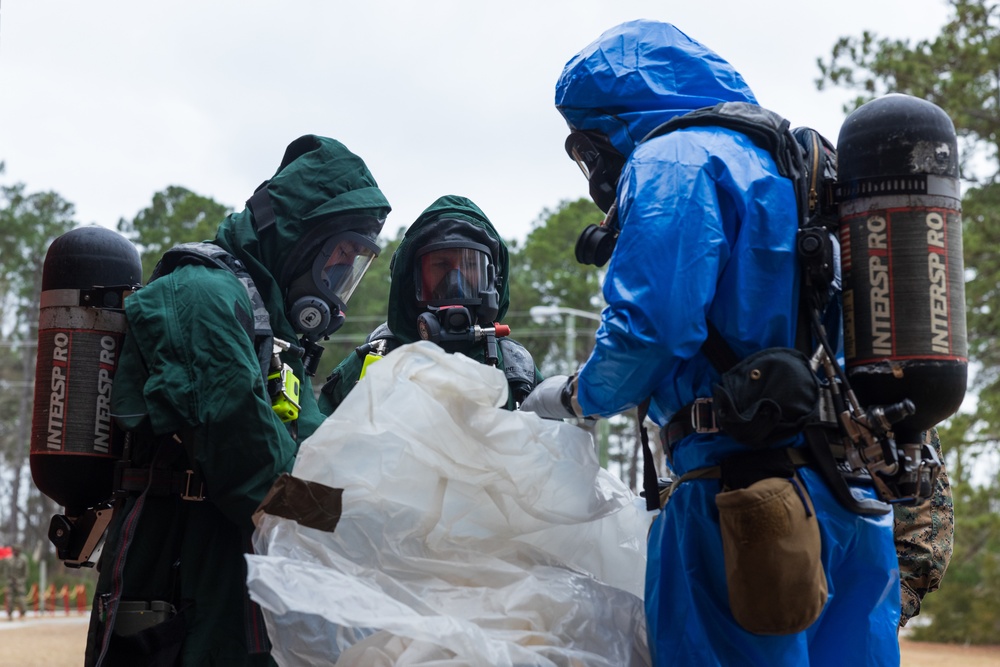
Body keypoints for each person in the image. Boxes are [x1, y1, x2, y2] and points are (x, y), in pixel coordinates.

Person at [521, 20, 902, 666]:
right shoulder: (798, 159)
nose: (593, 174)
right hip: (852, 502)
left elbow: (653, 330)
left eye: (589, 150)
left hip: (739, 502)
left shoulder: (672, 159)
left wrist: (573, 395)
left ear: (620, 119)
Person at [84, 134, 391, 666]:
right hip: (183, 595)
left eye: (354, 260)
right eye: (339, 252)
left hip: (240, 597)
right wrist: (358, 523)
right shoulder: (205, 295)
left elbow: (311, 450)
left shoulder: (273, 331)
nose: (342, 273)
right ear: (297, 236)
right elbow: (252, 469)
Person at [320, 194, 541, 413]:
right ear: (413, 279)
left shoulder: (517, 371)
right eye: (441, 265)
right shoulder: (376, 360)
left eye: (471, 265)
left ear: (494, 281)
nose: (456, 280)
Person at [5, 545, 28, 621]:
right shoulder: (9, 560)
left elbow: (25, 573)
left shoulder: (23, 560)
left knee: (21, 599)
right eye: (14, 550)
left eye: (17, 550)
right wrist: (9, 581)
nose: (15, 552)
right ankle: (9, 614)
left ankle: (22, 613)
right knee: (10, 599)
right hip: (11, 583)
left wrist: (20, 581)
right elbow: (6, 572)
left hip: (20, 582)